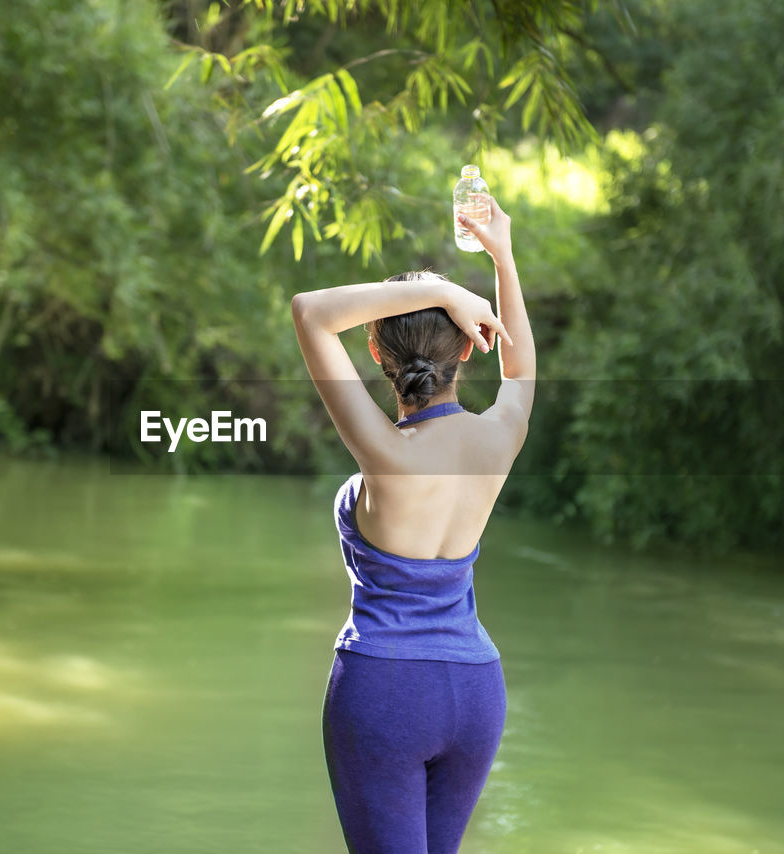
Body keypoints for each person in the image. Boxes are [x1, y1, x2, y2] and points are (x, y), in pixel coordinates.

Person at [290, 194, 536, 853]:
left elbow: (310, 312)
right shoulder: (499, 438)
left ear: (375, 348)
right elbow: (520, 368)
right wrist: (501, 254)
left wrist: (437, 287)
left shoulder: (386, 452)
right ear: (468, 344)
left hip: (385, 691)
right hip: (477, 687)